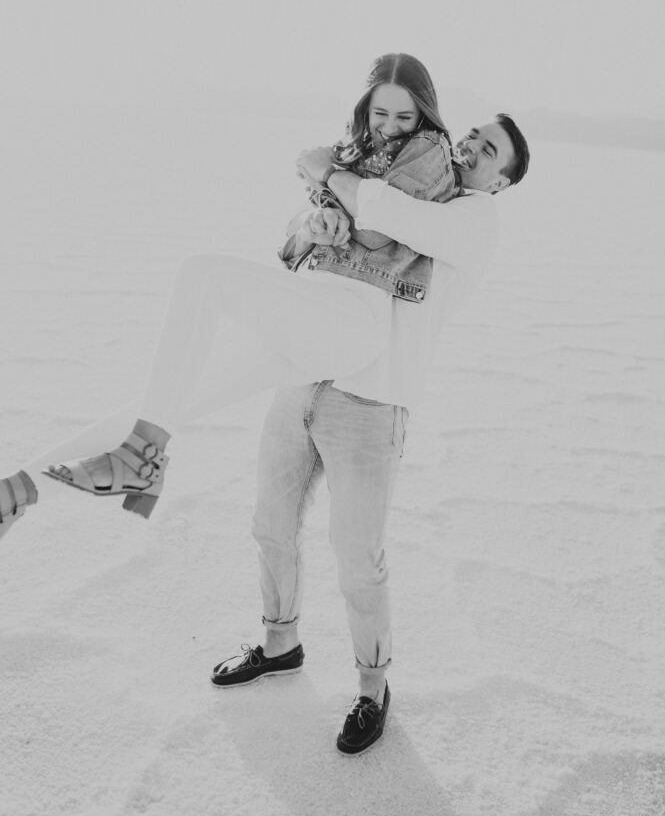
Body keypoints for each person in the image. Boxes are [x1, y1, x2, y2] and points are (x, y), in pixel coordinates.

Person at [0, 54, 457, 528]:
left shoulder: (428, 150)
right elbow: (293, 243)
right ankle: (18, 490)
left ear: (424, 113)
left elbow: (381, 233)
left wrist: (326, 176)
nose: (389, 127)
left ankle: (139, 459)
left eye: (404, 116)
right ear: (365, 109)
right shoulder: (356, 151)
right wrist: (313, 224)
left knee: (204, 274)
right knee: (167, 401)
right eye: (379, 114)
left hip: (350, 319)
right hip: (310, 309)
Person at [211, 113, 530, 754]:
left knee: (359, 559)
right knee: (270, 525)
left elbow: (389, 214)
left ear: (501, 182)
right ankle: (280, 643)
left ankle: (372, 685)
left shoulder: (472, 218)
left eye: (488, 150)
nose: (469, 145)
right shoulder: (400, 180)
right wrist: (312, 220)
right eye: (471, 134)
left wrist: (326, 166)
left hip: (372, 401)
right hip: (302, 376)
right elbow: (308, 241)